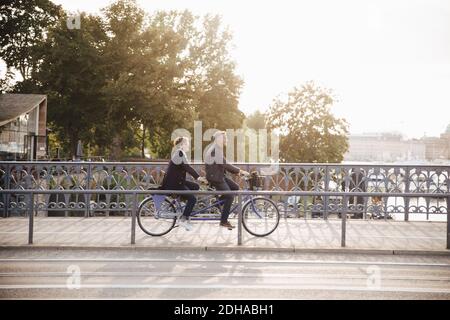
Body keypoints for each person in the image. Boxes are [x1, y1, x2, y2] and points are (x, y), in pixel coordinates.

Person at [204, 131, 249, 230]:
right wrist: (240, 171)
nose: (226, 140)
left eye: (226, 138)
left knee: (235, 187)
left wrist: (236, 172)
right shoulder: (215, 149)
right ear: (218, 139)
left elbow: (221, 164)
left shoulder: (217, 148)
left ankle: (217, 204)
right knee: (230, 196)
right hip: (215, 177)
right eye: (224, 138)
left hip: (219, 175)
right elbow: (224, 164)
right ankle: (224, 221)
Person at [161, 137, 207, 231]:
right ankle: (183, 219)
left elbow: (186, 167)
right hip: (175, 184)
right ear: (182, 144)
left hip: (177, 181)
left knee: (196, 186)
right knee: (193, 199)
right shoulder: (179, 153)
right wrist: (199, 177)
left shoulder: (179, 153)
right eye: (187, 143)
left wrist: (199, 179)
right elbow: (187, 167)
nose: (188, 145)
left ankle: (185, 205)